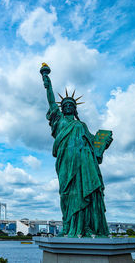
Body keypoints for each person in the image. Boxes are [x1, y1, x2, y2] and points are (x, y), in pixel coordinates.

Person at [41, 63, 111, 237]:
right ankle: (68, 225)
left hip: (84, 163)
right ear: (62, 108)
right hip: (66, 161)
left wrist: (105, 141)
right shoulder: (59, 121)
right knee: (66, 193)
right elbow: (51, 100)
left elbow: (95, 144)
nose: (68, 106)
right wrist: (46, 80)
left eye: (71, 104)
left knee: (85, 192)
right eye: (65, 104)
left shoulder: (81, 125)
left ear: (75, 108)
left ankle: (86, 226)